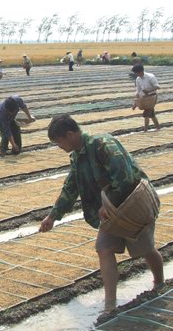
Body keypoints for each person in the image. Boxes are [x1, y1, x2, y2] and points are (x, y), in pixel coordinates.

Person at [39, 115, 163, 312]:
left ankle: (159, 283)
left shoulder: (103, 144)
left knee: (145, 249)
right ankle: (110, 304)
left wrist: (109, 201)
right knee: (104, 249)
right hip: (109, 212)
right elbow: (71, 187)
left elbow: (124, 175)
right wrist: (53, 216)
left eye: (59, 142)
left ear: (69, 135)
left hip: (132, 204)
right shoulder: (78, 156)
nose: (59, 147)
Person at [131, 64, 160, 132]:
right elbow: (138, 91)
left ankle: (145, 130)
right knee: (151, 114)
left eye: (136, 73)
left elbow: (157, 86)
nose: (136, 74)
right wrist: (135, 103)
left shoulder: (150, 76)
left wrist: (148, 90)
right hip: (144, 98)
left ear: (140, 71)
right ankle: (158, 128)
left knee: (146, 113)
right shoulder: (138, 79)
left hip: (152, 97)